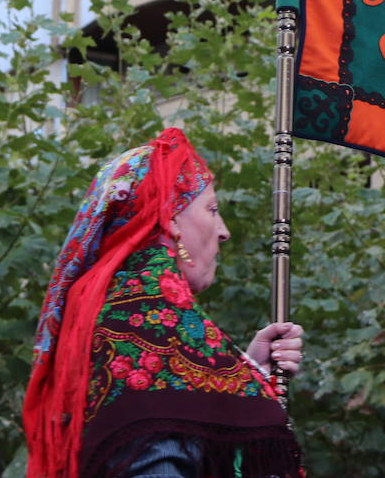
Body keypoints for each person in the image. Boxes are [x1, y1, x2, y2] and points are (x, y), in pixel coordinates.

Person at [25, 128, 305, 478]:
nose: (223, 230)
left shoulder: (123, 319)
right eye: (212, 209)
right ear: (170, 219)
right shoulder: (149, 331)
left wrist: (248, 372)